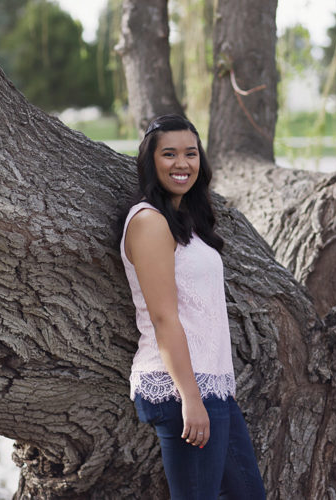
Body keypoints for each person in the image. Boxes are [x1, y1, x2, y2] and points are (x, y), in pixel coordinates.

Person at [119, 114, 265, 499]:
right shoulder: (150, 222)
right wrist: (191, 398)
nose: (182, 163)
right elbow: (164, 317)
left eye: (190, 153)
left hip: (211, 385)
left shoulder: (183, 222)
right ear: (150, 161)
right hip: (178, 387)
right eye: (169, 154)